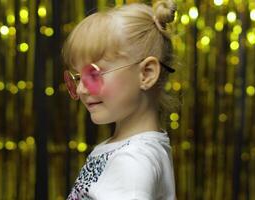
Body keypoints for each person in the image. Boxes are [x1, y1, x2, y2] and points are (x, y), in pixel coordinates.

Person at [62, 0, 178, 199]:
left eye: (93, 74)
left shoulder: (133, 160)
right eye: (77, 78)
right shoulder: (131, 149)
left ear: (146, 74)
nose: (81, 89)